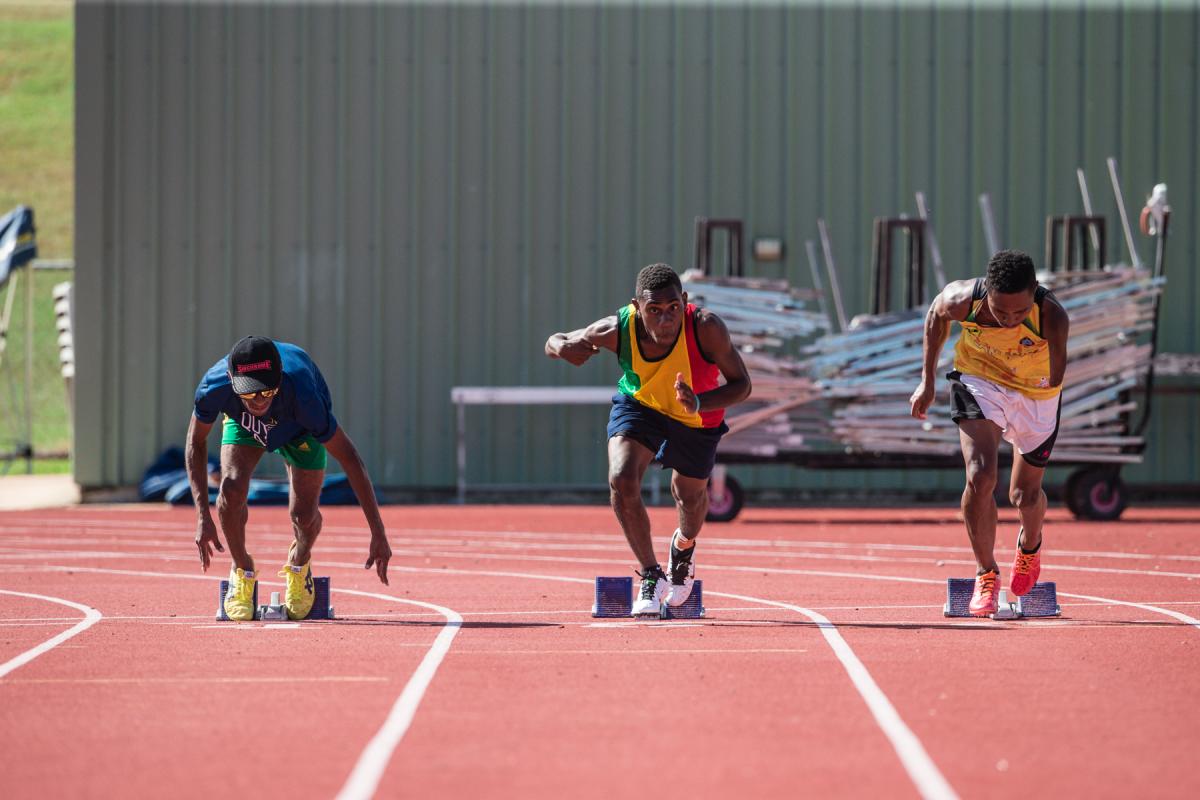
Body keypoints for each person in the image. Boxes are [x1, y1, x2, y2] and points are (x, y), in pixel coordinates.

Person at [545, 263, 751, 616]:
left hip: (696, 413)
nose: (665, 319)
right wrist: (561, 349)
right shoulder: (617, 329)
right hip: (643, 406)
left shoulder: (706, 328)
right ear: (637, 307)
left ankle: (683, 549)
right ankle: (652, 575)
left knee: (689, 497)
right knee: (621, 478)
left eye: (673, 308)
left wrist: (700, 400)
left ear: (684, 301)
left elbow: (742, 385)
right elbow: (555, 340)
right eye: (653, 310)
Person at [186, 335, 392, 621]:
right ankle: (241, 568)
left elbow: (349, 459)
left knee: (303, 516)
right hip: (244, 426)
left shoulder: (305, 396)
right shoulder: (214, 386)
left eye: (266, 392)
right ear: (231, 380)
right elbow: (195, 442)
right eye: (248, 392)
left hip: (299, 428)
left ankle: (300, 563)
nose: (258, 401)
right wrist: (201, 515)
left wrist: (378, 532)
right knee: (230, 490)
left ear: (279, 380)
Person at [910, 250, 1069, 616]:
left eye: (1018, 311)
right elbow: (935, 314)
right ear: (988, 295)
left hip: (1035, 393)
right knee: (980, 476)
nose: (1010, 319)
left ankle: (1029, 546)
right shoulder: (961, 300)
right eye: (1001, 311)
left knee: (1024, 496)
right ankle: (986, 573)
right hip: (980, 380)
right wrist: (927, 382)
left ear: (1034, 293)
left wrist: (1024, 398)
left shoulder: (1052, 316)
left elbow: (1057, 377)